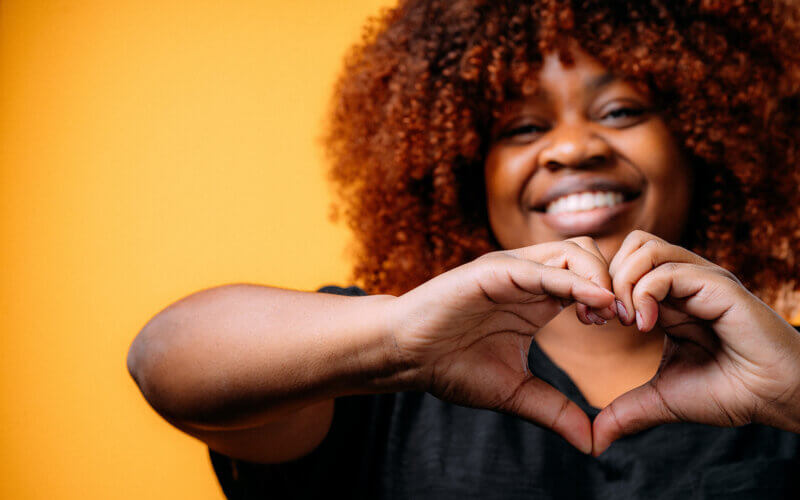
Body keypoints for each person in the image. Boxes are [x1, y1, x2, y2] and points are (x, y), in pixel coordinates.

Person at [126, 0, 800, 498]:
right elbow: (163, 360)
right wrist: (394, 342)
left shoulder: (779, 369)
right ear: (462, 174)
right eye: (523, 127)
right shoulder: (385, 363)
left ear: (706, 142)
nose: (572, 148)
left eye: (621, 111)